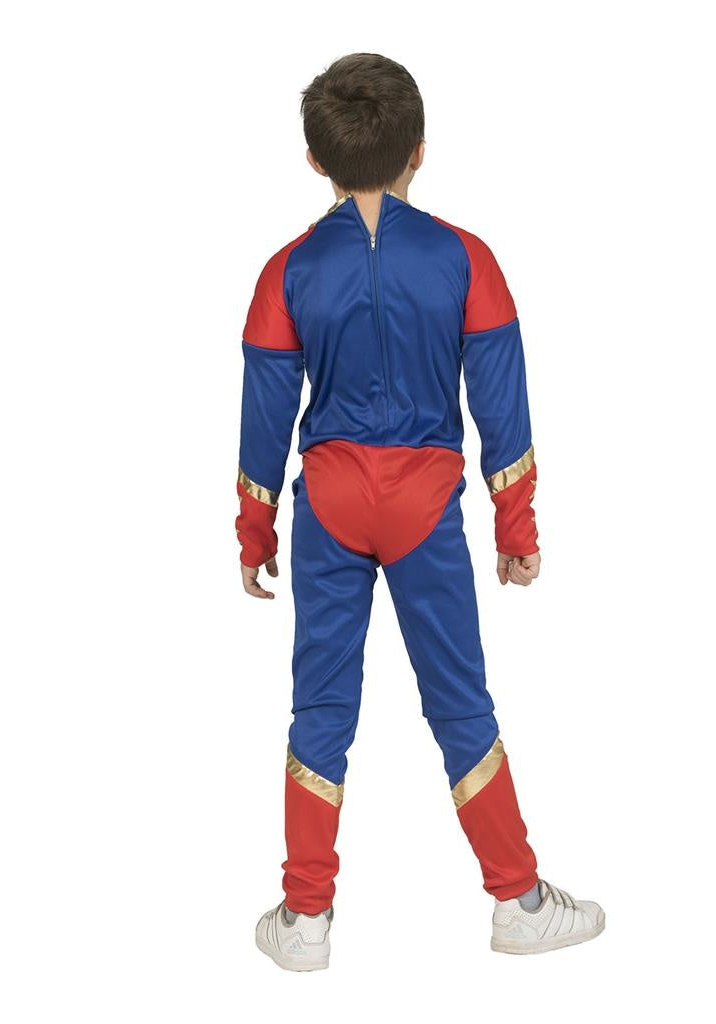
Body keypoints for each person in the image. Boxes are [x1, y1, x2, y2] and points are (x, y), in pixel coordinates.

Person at [236, 53, 604, 971]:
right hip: (425, 504)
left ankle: (305, 919)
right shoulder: (466, 258)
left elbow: (264, 413)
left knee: (321, 704)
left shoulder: (284, 271)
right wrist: (515, 527)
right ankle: (518, 903)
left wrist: (254, 529)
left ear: (314, 161)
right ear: (420, 150)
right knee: (459, 700)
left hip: (328, 503)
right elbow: (501, 405)